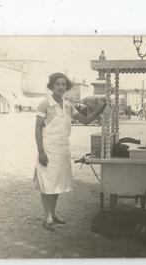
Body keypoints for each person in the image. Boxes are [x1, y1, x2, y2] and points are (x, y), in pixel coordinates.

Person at [34, 72, 106, 231]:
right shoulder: (44, 104)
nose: (60, 87)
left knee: (57, 183)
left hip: (62, 149)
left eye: (63, 84)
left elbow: (85, 120)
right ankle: (47, 218)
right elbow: (38, 130)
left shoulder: (68, 106)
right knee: (47, 184)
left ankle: (53, 213)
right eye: (57, 84)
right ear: (52, 86)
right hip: (48, 150)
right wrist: (41, 152)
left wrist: (100, 110)